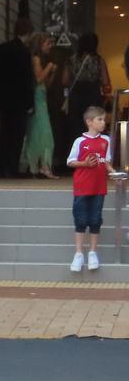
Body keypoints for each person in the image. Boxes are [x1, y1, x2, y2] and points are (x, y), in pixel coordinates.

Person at [67, 107, 113, 273]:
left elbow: (106, 162)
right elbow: (70, 161)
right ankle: (79, 253)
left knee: (95, 219)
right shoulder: (80, 141)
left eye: (103, 119)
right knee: (80, 219)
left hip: (99, 187)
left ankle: (93, 252)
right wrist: (84, 164)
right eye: (100, 119)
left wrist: (114, 173)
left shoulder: (106, 140)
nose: (103, 122)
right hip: (82, 187)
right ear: (89, 122)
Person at [0, 17, 35, 178]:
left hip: (4, 100)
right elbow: (28, 80)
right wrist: (30, 102)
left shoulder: (0, 49)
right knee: (17, 135)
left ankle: (1, 167)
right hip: (20, 101)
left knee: (5, 133)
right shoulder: (24, 52)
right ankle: (12, 167)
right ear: (28, 33)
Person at [21, 33, 59, 179]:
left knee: (38, 133)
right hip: (37, 101)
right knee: (44, 133)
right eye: (47, 43)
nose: (50, 47)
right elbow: (38, 78)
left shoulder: (41, 60)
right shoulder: (36, 58)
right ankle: (43, 166)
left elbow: (46, 84)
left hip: (42, 99)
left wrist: (52, 73)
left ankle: (36, 166)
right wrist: (49, 66)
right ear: (40, 44)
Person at [65, 33, 112, 149]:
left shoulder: (71, 60)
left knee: (76, 130)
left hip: (75, 99)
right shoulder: (99, 60)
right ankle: (93, 156)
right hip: (93, 98)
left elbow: (64, 80)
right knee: (93, 128)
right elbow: (106, 82)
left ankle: (77, 158)